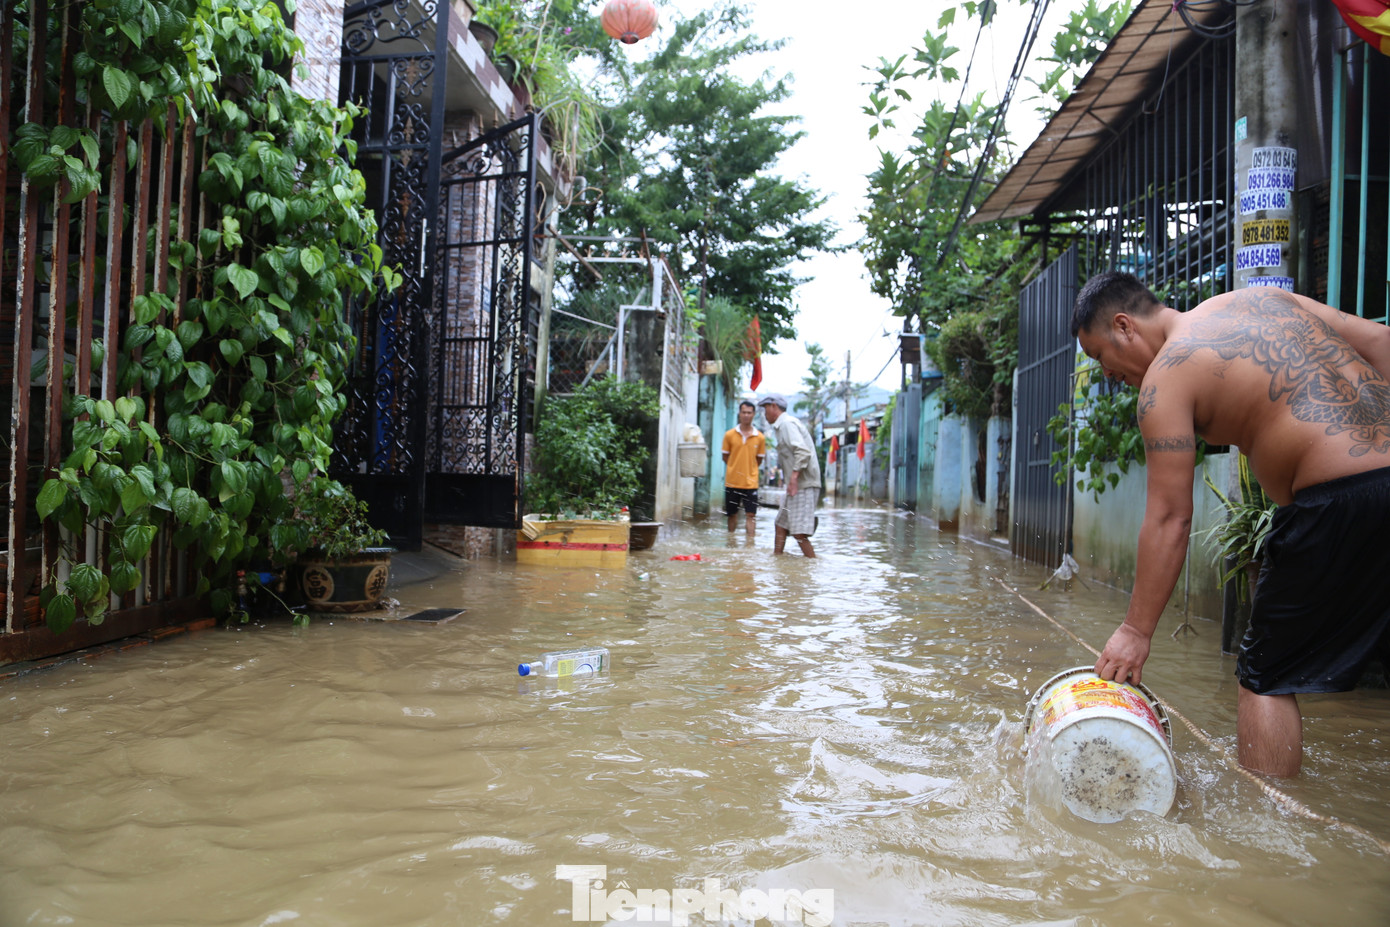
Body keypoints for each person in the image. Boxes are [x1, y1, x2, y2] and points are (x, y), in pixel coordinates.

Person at [1072, 271, 1390, 777]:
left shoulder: (1165, 379)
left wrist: (1135, 631)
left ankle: (1267, 839)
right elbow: (1380, 340)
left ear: (1124, 326)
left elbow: (1171, 517)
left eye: (1099, 358)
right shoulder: (1262, 297)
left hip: (1334, 503)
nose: (1108, 375)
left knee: (1266, 676)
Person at [756, 393, 821, 558]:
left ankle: (812, 565)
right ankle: (777, 559)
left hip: (803, 484)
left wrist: (793, 479)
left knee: (799, 533)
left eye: (765, 409)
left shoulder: (787, 424)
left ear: (774, 407)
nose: (764, 413)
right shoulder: (782, 425)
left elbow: (803, 452)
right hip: (797, 484)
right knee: (781, 525)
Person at [721, 400, 766, 536]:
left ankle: (750, 545)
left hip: (751, 483)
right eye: (744, 412)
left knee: (751, 515)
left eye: (749, 413)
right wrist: (736, 467)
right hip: (732, 481)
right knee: (732, 514)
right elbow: (725, 457)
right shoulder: (729, 435)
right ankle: (731, 541)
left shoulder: (760, 438)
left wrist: (748, 469)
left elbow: (759, 460)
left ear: (753, 415)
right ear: (739, 414)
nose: (746, 415)